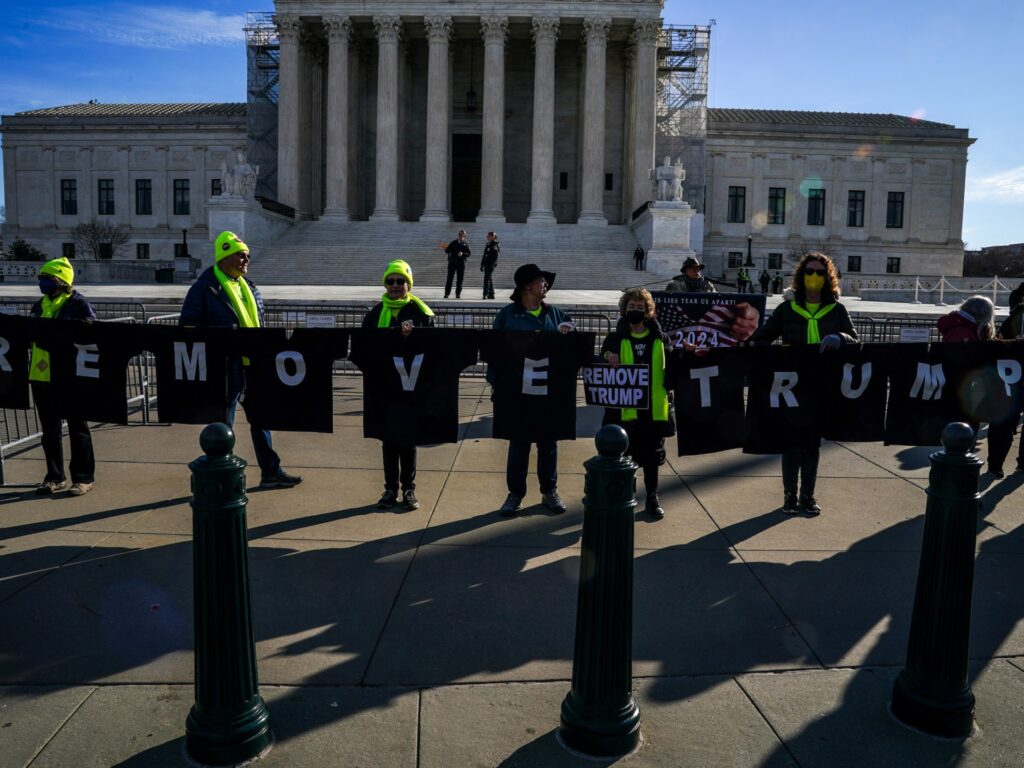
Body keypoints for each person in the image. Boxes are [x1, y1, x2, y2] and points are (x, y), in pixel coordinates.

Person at [179, 231, 302, 489]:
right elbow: (187, 327)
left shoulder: (250, 286)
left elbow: (259, 322)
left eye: (248, 255)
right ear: (224, 257)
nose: (246, 260)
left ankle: (271, 471)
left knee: (262, 419)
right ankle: (224, 475)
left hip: (254, 365)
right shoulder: (204, 289)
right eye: (241, 255)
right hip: (225, 367)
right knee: (224, 423)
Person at [751, 252, 858, 516]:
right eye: (809, 272)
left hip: (823, 387)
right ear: (801, 276)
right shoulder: (787, 309)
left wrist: (840, 337)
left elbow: (856, 341)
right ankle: (789, 496)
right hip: (792, 389)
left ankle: (807, 496)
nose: (814, 277)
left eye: (820, 273)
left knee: (812, 444)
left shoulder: (838, 310)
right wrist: (779, 358)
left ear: (828, 278)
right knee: (791, 444)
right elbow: (761, 339)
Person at [492, 263, 576, 517]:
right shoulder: (507, 316)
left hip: (549, 392)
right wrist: (496, 384)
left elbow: (573, 349)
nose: (546, 286)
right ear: (527, 285)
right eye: (541, 281)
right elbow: (494, 353)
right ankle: (515, 494)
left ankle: (549, 490)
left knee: (548, 443)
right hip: (517, 392)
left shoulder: (557, 315)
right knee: (519, 443)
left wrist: (568, 333)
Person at [362, 260, 435, 510]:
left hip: (411, 386)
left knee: (408, 439)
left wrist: (408, 340)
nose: (395, 285)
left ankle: (409, 490)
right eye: (391, 281)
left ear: (408, 284)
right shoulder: (374, 314)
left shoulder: (421, 314)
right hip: (384, 386)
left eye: (400, 281)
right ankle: (389, 489)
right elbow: (365, 346)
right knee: (388, 440)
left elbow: (430, 349)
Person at [600, 287, 675, 518]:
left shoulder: (661, 339)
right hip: (625, 409)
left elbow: (674, 363)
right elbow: (603, 355)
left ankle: (652, 497)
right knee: (624, 456)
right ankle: (624, 497)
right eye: (631, 307)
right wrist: (608, 357)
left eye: (640, 307)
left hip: (652, 408)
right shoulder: (615, 338)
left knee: (651, 458)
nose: (635, 310)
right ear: (624, 310)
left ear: (648, 311)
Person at [28, 257, 97, 496]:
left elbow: (91, 331)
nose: (42, 283)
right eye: (40, 278)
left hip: (69, 375)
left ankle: (84, 477)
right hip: (41, 374)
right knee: (50, 430)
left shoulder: (77, 304)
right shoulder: (40, 305)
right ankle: (54, 476)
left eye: (47, 278)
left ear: (61, 281)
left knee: (78, 427)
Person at [439, 230, 470, 299]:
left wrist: (463, 254)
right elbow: (448, 251)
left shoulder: (465, 244)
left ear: (464, 236)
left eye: (462, 235)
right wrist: (445, 247)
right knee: (449, 279)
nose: (460, 236)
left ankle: (458, 294)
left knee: (460, 280)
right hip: (452, 263)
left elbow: (469, 254)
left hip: (461, 264)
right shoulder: (453, 243)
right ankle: (447, 294)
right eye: (459, 234)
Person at [480, 231, 499, 300]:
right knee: (489, 279)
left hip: (490, 265)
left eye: (489, 236)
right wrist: (482, 265)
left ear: (493, 237)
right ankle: (491, 294)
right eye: (487, 236)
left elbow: (495, 257)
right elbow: (485, 255)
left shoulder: (494, 245)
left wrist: (492, 265)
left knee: (486, 280)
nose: (487, 237)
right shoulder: (488, 244)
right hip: (486, 264)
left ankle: (485, 294)